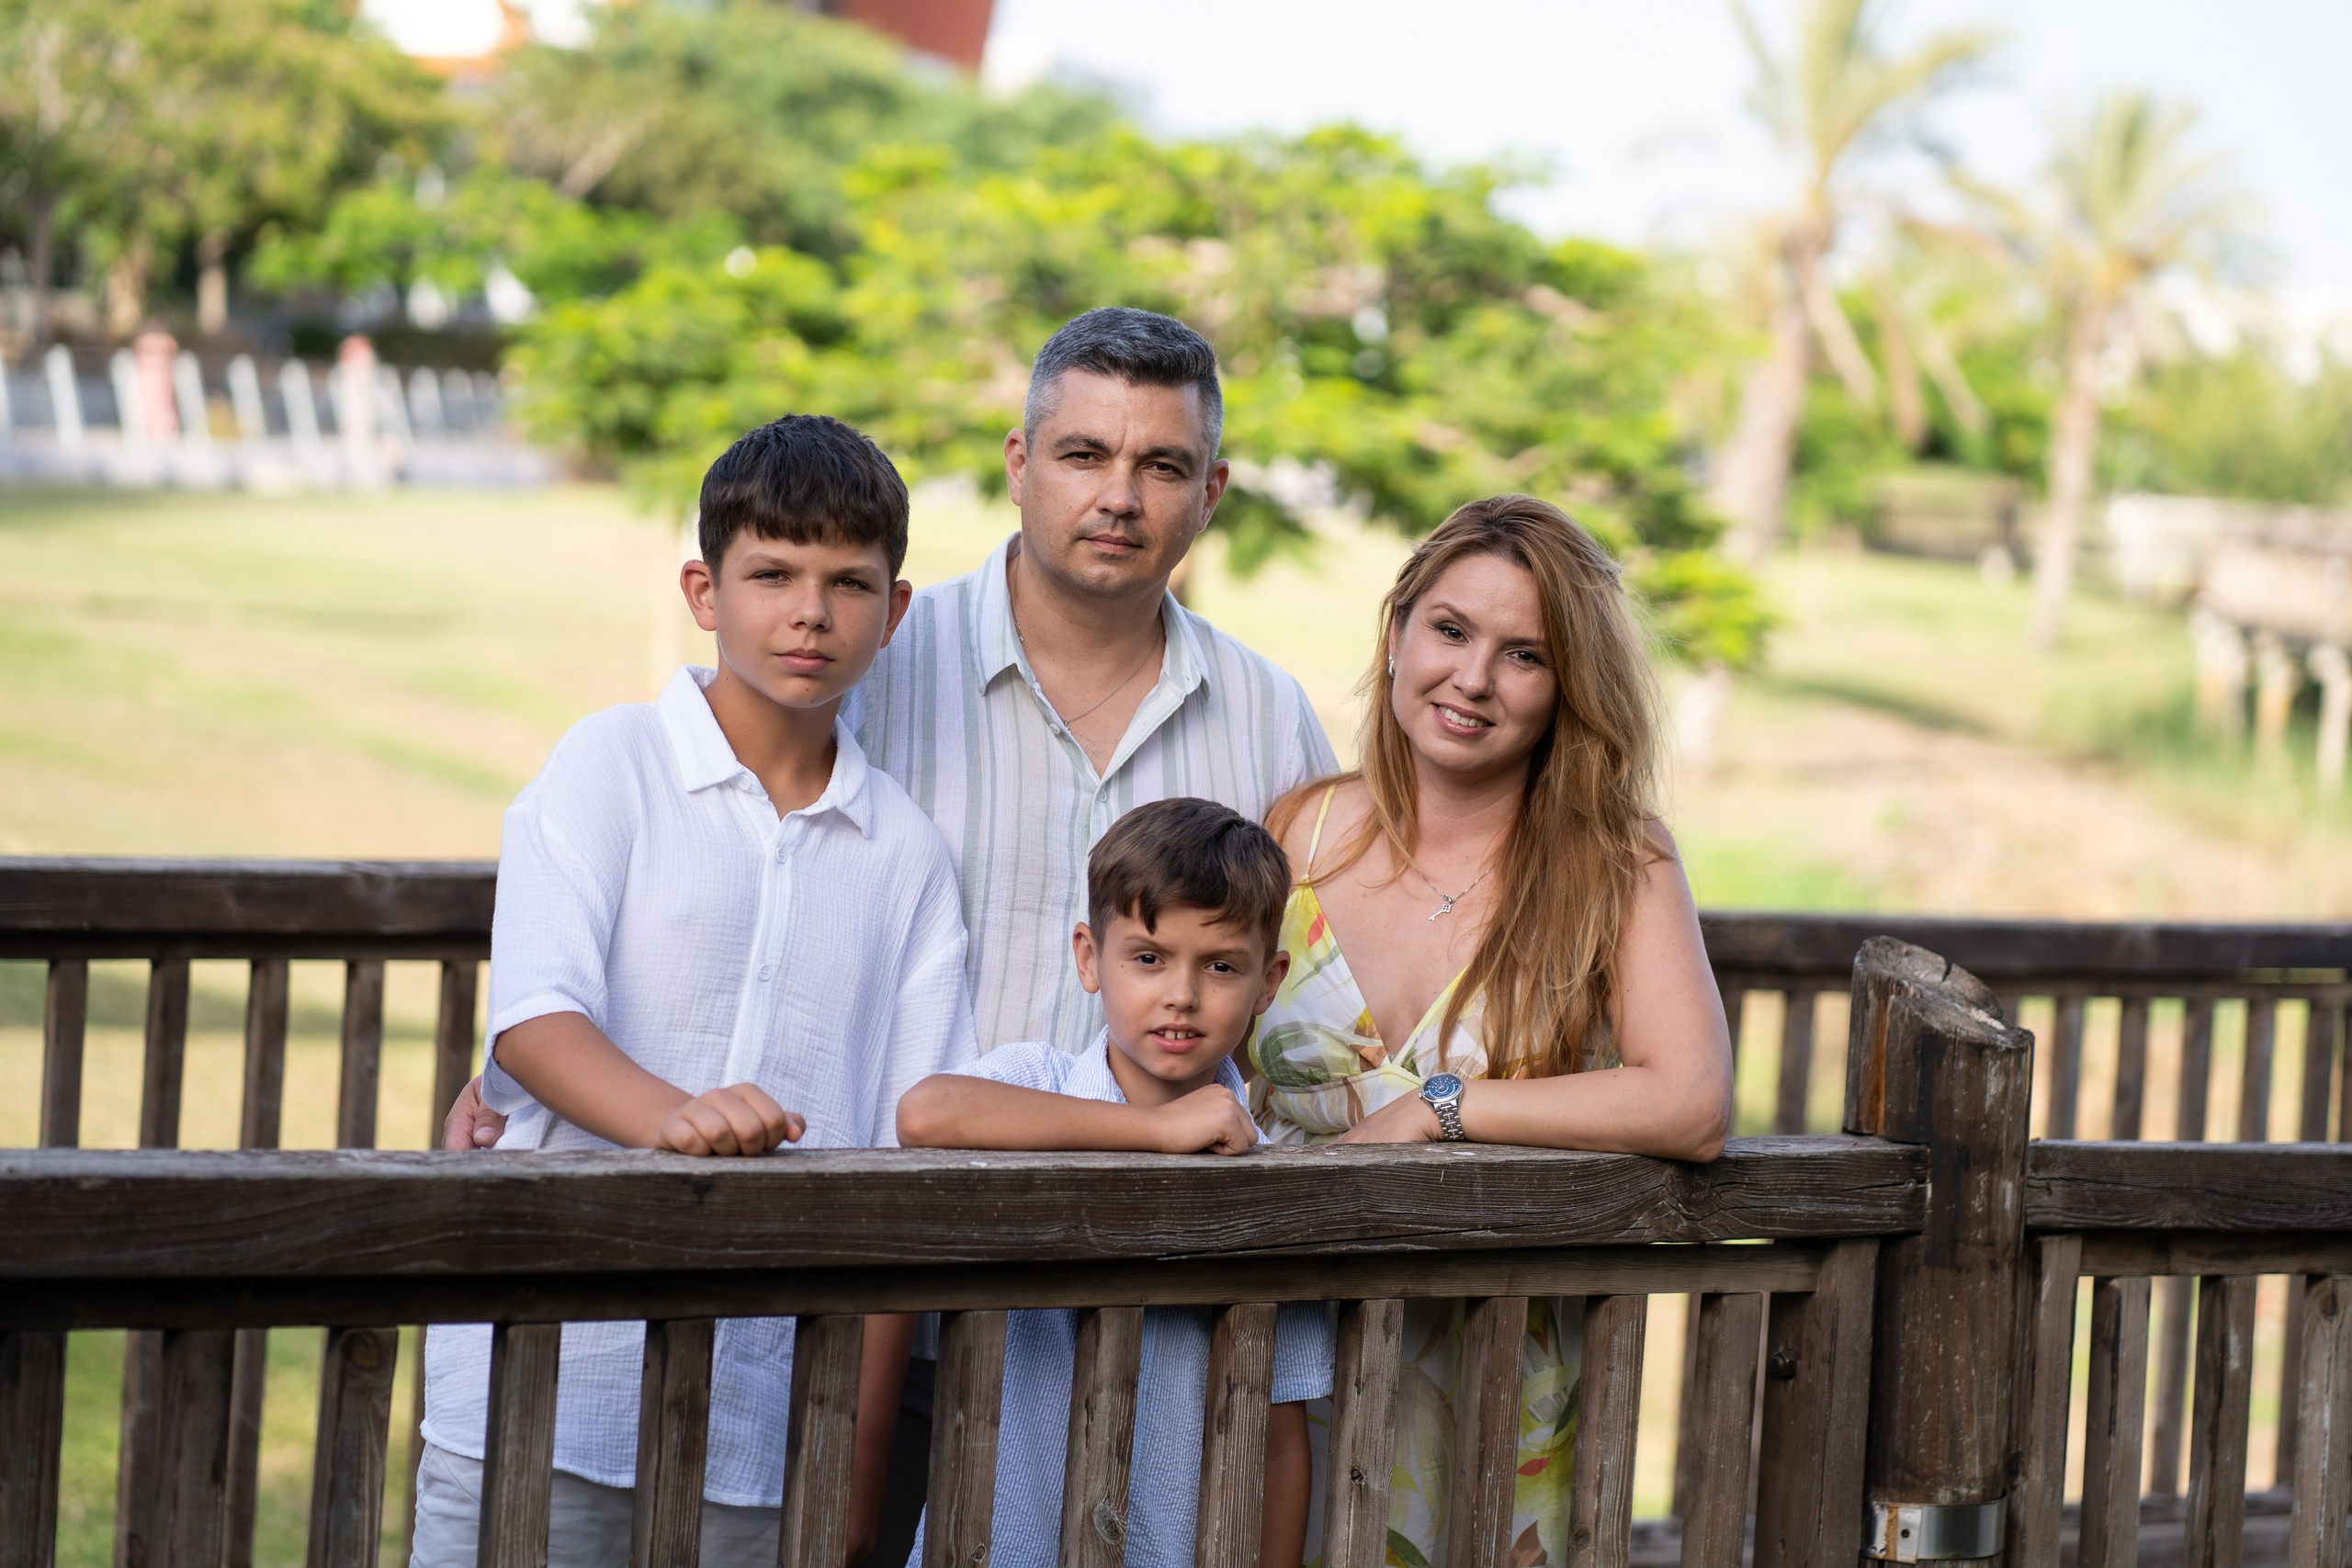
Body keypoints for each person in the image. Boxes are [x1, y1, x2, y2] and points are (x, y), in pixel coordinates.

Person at [411, 415, 977, 1568]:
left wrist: (856, 1487)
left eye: (846, 583)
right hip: (543, 1392)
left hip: (765, 1439)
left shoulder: (907, 857)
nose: (808, 613)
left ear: (896, 610)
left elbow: (900, 1178)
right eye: (771, 573)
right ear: (703, 589)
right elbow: (531, 1022)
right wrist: (676, 1117)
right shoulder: (607, 763)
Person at [1249, 495, 1735, 1568]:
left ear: (1565, 691)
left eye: (1523, 655)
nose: (1472, 679)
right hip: (1278, 1367)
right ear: (1395, 636)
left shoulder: (1617, 862)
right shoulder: (1298, 831)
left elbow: (1689, 1101)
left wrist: (1440, 1108)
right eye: (1450, 631)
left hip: (1487, 1387)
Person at [895, 797, 1329, 1568]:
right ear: (1090, 958)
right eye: (1149, 957)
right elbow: (928, 1113)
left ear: (1269, 982)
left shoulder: (1265, 1172)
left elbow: (1279, 1428)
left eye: (1222, 965)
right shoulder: (1034, 1083)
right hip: (1003, 1546)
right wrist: (1156, 1132)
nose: (1182, 995)